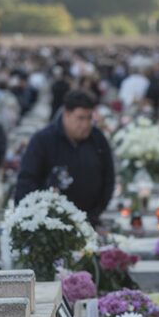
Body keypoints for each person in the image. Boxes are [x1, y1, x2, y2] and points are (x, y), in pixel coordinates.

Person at [14, 91, 115, 226]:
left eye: (89, 118)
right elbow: (26, 181)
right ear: (66, 115)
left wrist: (95, 212)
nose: (85, 125)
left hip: (89, 220)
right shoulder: (43, 140)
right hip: (50, 224)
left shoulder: (97, 139)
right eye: (80, 118)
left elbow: (109, 176)